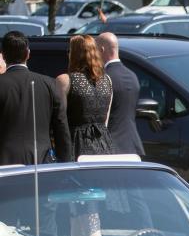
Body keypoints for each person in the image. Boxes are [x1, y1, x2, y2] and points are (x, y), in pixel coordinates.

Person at [0, 31, 72, 165]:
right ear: (28, 54)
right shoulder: (50, 84)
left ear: (3, 56)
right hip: (41, 163)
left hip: (5, 166)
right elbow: (61, 128)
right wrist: (66, 164)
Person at [55, 35, 115, 159]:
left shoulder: (65, 80)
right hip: (104, 144)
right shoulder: (107, 80)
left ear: (75, 54)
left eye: (70, 51)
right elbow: (105, 121)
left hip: (75, 144)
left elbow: (59, 120)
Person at [95, 32, 145, 157]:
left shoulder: (104, 78)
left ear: (101, 50)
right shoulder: (132, 76)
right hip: (133, 146)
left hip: (111, 148)